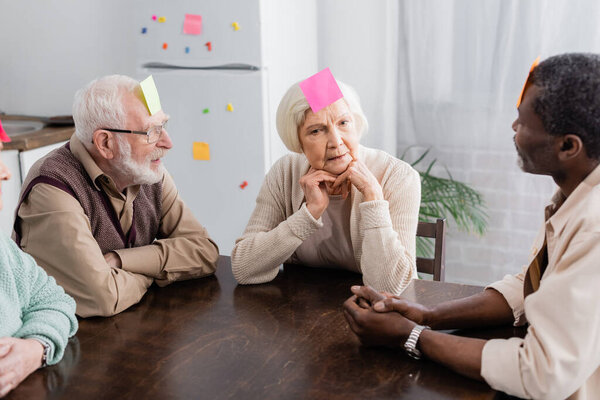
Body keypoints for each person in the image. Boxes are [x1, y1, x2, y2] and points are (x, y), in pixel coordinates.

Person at [343, 53, 600, 400]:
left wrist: (411, 335)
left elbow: (541, 373)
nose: (513, 129)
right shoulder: (574, 195)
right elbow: (530, 288)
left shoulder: (593, 228)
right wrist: (427, 314)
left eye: (522, 123)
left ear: (568, 146)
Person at [13, 75, 220, 317]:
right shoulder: (52, 188)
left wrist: (121, 261)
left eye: (163, 126)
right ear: (105, 143)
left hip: (132, 329)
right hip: (57, 342)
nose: (167, 142)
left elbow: (204, 252)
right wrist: (156, 270)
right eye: (151, 132)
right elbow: (104, 296)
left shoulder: (146, 171)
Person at [231, 79, 421, 294]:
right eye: (316, 131)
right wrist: (309, 213)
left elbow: (390, 289)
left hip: (373, 316)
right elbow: (243, 268)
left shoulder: (398, 176)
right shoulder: (285, 172)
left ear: (356, 124)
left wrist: (373, 196)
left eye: (343, 123)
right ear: (298, 142)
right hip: (301, 311)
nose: (336, 141)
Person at [0, 132, 78, 398]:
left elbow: (54, 301)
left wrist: (35, 348)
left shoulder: (2, 248)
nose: (5, 172)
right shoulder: (53, 180)